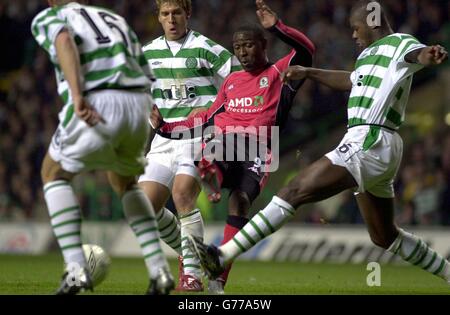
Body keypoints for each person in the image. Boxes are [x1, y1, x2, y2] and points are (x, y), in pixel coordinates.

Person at [187, 0, 450, 286]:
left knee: (293, 190)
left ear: (372, 22)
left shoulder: (398, 43)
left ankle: (222, 254)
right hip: (376, 144)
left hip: (370, 139)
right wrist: (310, 73)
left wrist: (428, 53)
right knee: (384, 236)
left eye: (355, 28)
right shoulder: (367, 56)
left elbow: (416, 54)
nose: (353, 34)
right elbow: (353, 81)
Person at [150, 0, 315, 291]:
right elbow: (203, 118)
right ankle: (211, 173)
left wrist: (278, 27)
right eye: (238, 48)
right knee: (219, 141)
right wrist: (164, 127)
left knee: (240, 203)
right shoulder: (232, 82)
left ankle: (216, 280)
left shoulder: (277, 74)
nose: (242, 52)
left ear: (263, 45)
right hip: (226, 143)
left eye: (249, 46)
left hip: (260, 149)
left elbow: (306, 50)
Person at [31, 0, 174, 295]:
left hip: (98, 99)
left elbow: (64, 40)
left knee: (53, 174)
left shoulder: (50, 17)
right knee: (124, 182)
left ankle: (74, 270)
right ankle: (159, 271)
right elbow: (143, 68)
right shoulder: (114, 18)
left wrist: (77, 94)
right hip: (138, 106)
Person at [138, 0, 241, 292]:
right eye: (165, 14)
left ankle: (191, 276)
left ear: (188, 14)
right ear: (158, 17)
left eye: (177, 13)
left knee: (182, 194)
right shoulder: (147, 54)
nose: (171, 19)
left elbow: (239, 81)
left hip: (200, 138)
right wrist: (149, 110)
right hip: (164, 139)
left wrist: (214, 110)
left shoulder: (206, 47)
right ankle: (194, 253)